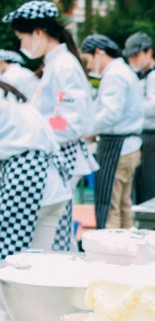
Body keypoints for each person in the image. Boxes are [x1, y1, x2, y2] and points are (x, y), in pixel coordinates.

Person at [3, 0, 97, 251]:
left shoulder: (64, 66)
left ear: (38, 33)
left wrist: (37, 126)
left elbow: (73, 120)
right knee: (57, 234)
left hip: (60, 153)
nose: (21, 45)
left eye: (22, 38)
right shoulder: (56, 63)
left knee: (57, 236)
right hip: (55, 153)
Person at [0, 82, 71, 259]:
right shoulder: (8, 94)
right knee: (39, 262)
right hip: (51, 181)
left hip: (26, 180)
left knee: (10, 261)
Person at [81, 34, 143, 230]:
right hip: (129, 146)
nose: (89, 66)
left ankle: (110, 251)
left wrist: (85, 131)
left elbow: (110, 114)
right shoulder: (125, 71)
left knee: (109, 206)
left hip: (117, 148)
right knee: (124, 205)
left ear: (99, 52)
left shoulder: (114, 74)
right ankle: (127, 251)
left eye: (88, 60)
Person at [122, 31, 155, 204]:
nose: (133, 60)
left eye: (136, 55)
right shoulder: (145, 75)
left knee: (150, 184)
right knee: (142, 184)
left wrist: (131, 106)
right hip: (145, 135)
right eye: (130, 57)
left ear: (148, 52)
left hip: (152, 135)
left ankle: (152, 226)